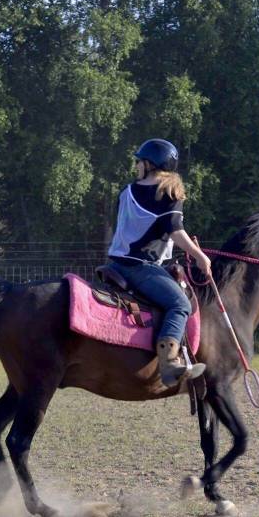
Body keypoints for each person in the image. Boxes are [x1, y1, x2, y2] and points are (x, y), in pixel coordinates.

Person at [107, 138, 212, 388]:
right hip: (141, 268)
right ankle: (169, 364)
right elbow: (175, 231)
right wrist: (200, 256)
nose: (136, 167)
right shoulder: (167, 193)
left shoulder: (127, 191)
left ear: (150, 164)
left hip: (117, 263)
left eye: (139, 162)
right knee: (179, 303)